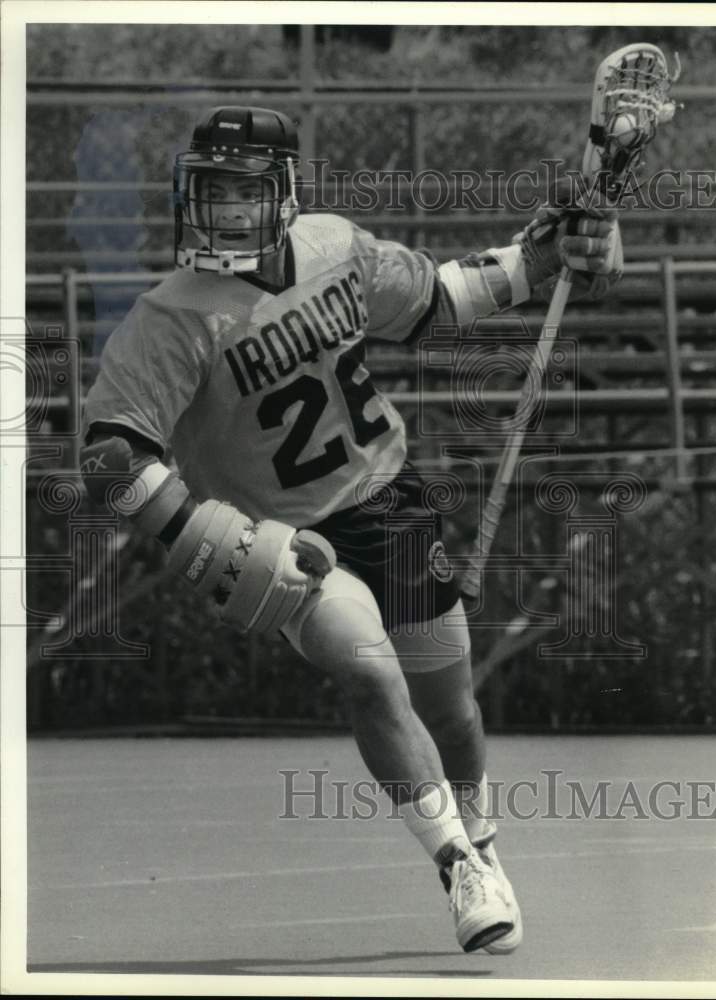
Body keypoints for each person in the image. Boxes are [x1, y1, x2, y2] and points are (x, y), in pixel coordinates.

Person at [79, 106, 622, 954]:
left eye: (244, 191)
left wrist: (550, 253)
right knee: (370, 674)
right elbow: (112, 458)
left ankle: (479, 835)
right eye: (210, 191)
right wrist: (204, 536)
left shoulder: (336, 248)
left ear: (286, 194)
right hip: (294, 542)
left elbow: (444, 297)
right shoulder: (170, 317)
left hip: (388, 500)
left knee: (455, 712)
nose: (222, 209)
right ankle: (457, 868)